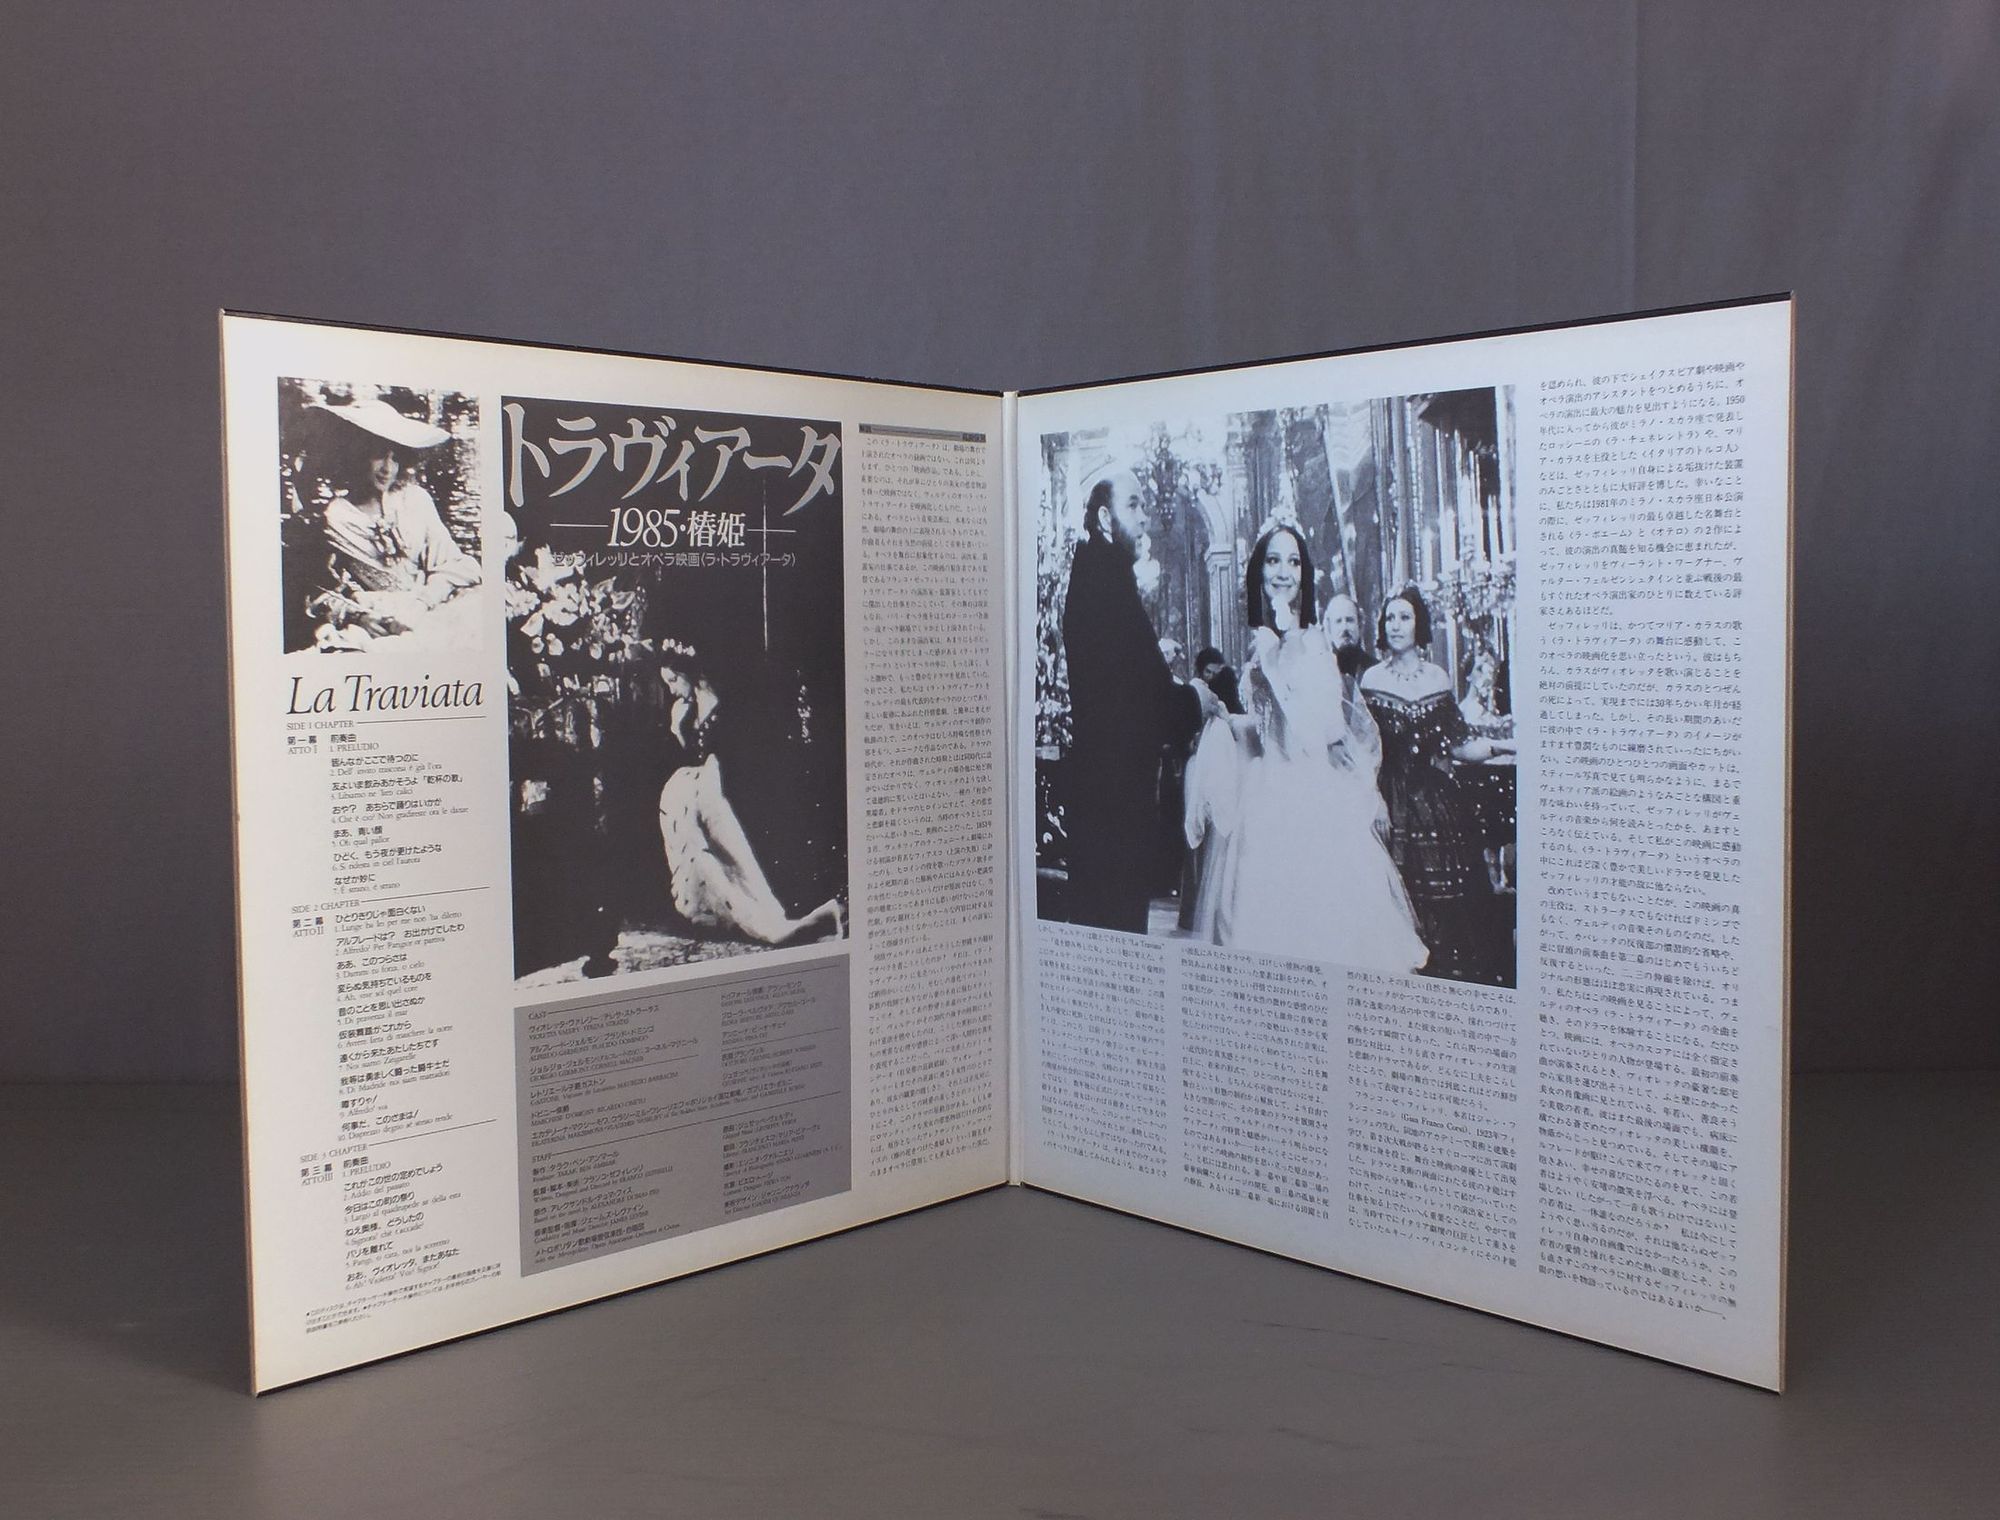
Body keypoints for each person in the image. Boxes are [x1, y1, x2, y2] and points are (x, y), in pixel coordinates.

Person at [1184, 522, 1428, 972]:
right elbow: (1270, 727)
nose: (1284, 572)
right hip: (1266, 790)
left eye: (1294, 562)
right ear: (1258, 569)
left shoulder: (1308, 640)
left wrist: (1285, 650)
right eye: (1274, 560)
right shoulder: (1266, 639)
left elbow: (1316, 728)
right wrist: (1227, 720)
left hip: (1305, 795)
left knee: (1319, 932)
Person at [1060, 471, 1219, 932]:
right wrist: (1195, 698)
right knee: (1113, 927)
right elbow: (1144, 701)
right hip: (1113, 803)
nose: (1145, 517)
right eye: (1133, 505)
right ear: (1104, 517)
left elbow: (1127, 682)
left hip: (1105, 795)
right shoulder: (1105, 581)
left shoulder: (1099, 573)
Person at [1359, 588, 1517, 982]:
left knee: (1452, 907)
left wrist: (1503, 745)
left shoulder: (1437, 678)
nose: (1396, 626)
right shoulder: (1372, 679)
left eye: (1405, 617)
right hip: (1386, 797)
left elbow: (1459, 745)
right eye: (1390, 618)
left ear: (1419, 625)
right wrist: (1373, 801)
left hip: (1434, 800)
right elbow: (1363, 751)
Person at [656, 644, 843, 947]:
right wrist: (678, 731)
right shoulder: (682, 710)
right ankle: (738, 915)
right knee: (701, 854)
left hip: (718, 788)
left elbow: (735, 754)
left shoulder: (723, 705)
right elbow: (688, 753)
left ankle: (772, 921)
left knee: (733, 856)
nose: (672, 689)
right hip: (692, 789)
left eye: (674, 681)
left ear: (688, 674)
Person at [307, 396, 482, 647]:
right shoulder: (337, 516)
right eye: (379, 455)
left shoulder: (415, 499)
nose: (388, 469)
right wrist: (360, 617)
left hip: (431, 605)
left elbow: (454, 564)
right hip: (379, 618)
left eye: (395, 457)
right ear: (356, 454)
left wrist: (423, 602)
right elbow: (322, 590)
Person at [1193, 646, 1243, 715]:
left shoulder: (1226, 683)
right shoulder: (1196, 684)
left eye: (1215, 674)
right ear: (1201, 668)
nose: (1211, 676)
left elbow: (1233, 706)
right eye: (1208, 671)